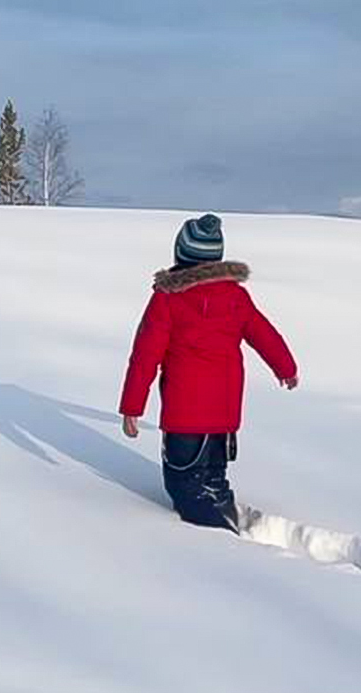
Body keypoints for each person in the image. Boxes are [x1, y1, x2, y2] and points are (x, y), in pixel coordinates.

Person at [119, 213, 298, 530]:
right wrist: (286, 367)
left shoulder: (167, 299)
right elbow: (264, 333)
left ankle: (215, 533)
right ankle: (222, 506)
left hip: (184, 413)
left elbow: (145, 355)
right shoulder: (236, 297)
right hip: (224, 410)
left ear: (181, 254)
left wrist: (133, 406)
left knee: (183, 480)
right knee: (215, 474)